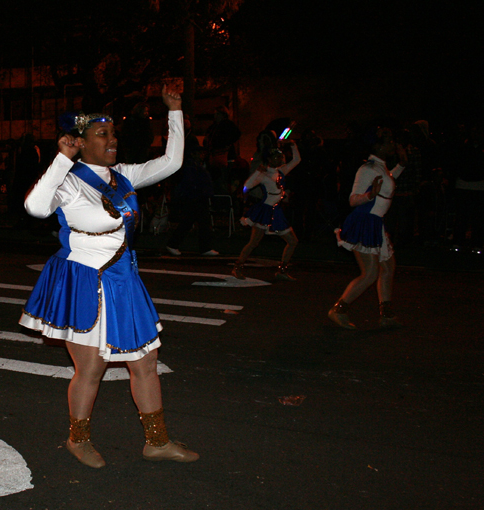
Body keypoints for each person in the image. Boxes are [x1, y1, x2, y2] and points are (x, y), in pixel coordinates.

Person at [19, 86, 198, 468]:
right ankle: (77, 439)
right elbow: (35, 208)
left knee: (146, 363)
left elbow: (171, 163)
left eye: (113, 134)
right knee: (91, 369)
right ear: (79, 142)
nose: (113, 139)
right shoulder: (67, 182)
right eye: (103, 134)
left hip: (124, 281)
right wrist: (60, 160)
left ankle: (157, 441)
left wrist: (175, 113)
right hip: (84, 282)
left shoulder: (124, 177)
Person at [329, 127, 407, 329]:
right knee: (370, 273)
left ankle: (386, 315)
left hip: (374, 223)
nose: (393, 144)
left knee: (388, 267)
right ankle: (339, 309)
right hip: (364, 222)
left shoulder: (379, 167)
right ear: (378, 146)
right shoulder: (368, 169)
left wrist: (402, 165)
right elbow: (353, 200)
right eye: (389, 141)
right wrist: (370, 195)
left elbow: (387, 183)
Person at [232, 133, 301, 281]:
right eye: (276, 157)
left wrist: (292, 144)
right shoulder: (264, 175)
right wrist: (258, 171)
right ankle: (237, 267)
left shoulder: (281, 171)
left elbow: (296, 160)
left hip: (277, 211)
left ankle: (282, 270)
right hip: (264, 211)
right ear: (269, 159)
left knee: (293, 241)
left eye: (280, 156)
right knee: (254, 242)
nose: (280, 159)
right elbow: (247, 186)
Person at [165, 144, 219, 256]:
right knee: (194, 221)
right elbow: (192, 182)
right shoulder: (191, 166)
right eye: (200, 153)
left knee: (192, 222)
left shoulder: (197, 165)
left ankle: (174, 244)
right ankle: (175, 244)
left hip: (196, 196)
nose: (202, 155)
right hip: (194, 197)